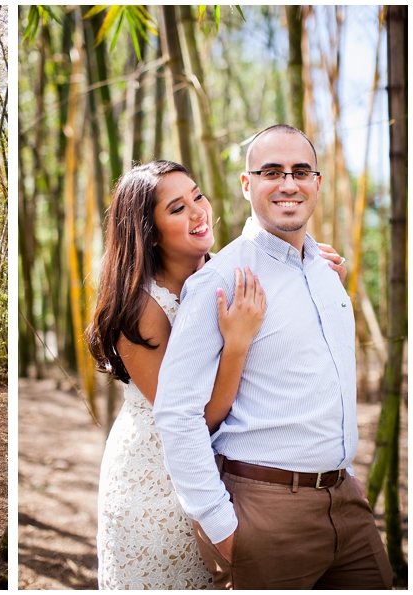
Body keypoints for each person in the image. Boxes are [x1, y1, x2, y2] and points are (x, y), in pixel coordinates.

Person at [86, 160, 347, 589]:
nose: (198, 211)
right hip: (158, 481)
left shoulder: (224, 272)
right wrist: (237, 343)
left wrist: (317, 271)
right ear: (147, 231)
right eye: (176, 208)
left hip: (226, 474)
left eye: (197, 195)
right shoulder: (141, 309)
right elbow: (197, 417)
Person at [154, 125, 393, 589]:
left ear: (316, 183)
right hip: (265, 514)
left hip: (348, 505)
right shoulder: (220, 280)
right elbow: (177, 413)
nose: (288, 183)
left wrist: (344, 478)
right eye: (271, 172)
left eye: (300, 171)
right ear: (247, 185)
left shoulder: (326, 272)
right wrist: (220, 525)